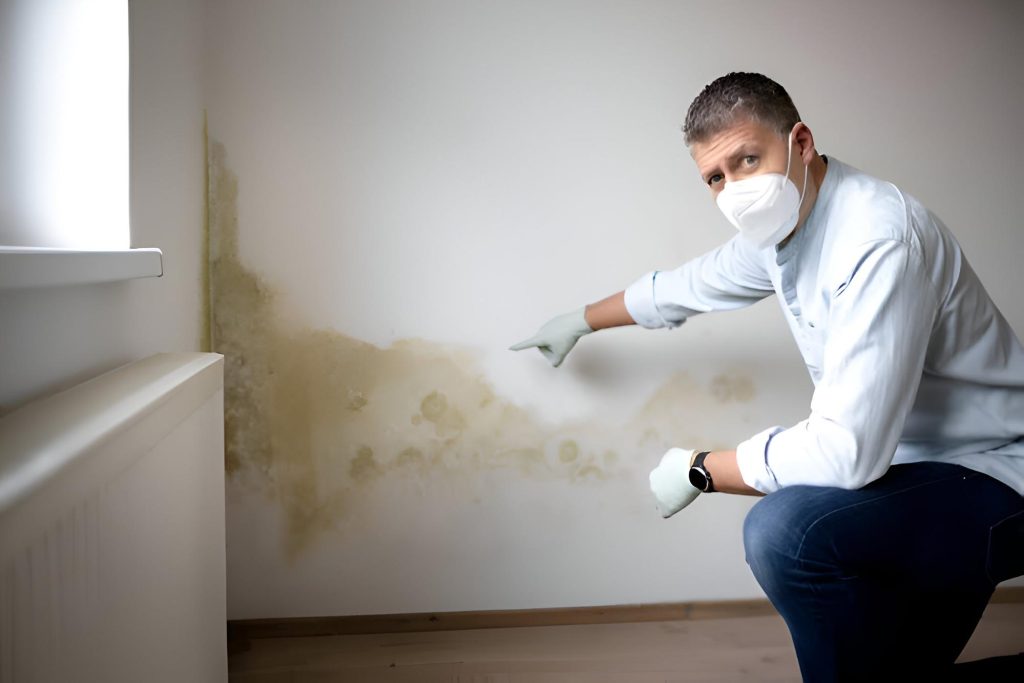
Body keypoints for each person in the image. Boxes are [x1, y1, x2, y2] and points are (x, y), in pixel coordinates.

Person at [510, 72, 1024, 681]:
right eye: (715, 177)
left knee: (786, 531)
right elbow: (686, 286)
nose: (735, 189)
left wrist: (701, 468)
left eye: (748, 159)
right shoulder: (783, 229)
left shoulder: (876, 240)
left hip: (997, 472)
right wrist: (580, 320)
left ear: (801, 142)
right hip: (913, 471)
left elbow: (845, 455)